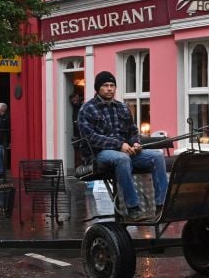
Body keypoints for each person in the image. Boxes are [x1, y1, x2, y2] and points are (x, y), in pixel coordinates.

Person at [78, 71, 167, 221]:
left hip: (125, 150)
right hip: (99, 154)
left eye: (112, 85)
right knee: (122, 159)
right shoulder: (87, 109)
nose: (109, 89)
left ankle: (161, 205)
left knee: (157, 156)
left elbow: (132, 131)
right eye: (105, 85)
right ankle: (133, 208)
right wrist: (119, 145)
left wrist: (135, 143)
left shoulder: (122, 108)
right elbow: (91, 138)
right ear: (97, 88)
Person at [69, 92, 84, 166]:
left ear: (78, 97)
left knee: (82, 150)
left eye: (75, 99)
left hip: (82, 132)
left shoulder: (82, 105)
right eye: (72, 100)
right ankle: (78, 166)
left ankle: (82, 165)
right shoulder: (74, 107)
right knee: (77, 150)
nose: (73, 101)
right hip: (76, 133)